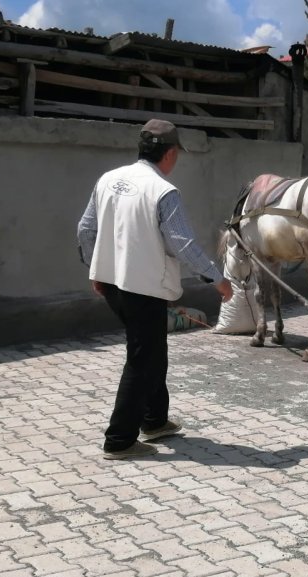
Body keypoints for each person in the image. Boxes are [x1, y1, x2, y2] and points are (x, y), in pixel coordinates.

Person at [77, 119, 234, 460]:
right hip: (143, 287)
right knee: (141, 357)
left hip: (114, 285)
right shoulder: (163, 191)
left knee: (152, 349)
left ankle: (155, 420)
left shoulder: (109, 180)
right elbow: (183, 244)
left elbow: (85, 228)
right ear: (171, 152)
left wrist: (95, 268)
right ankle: (119, 440)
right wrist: (217, 278)